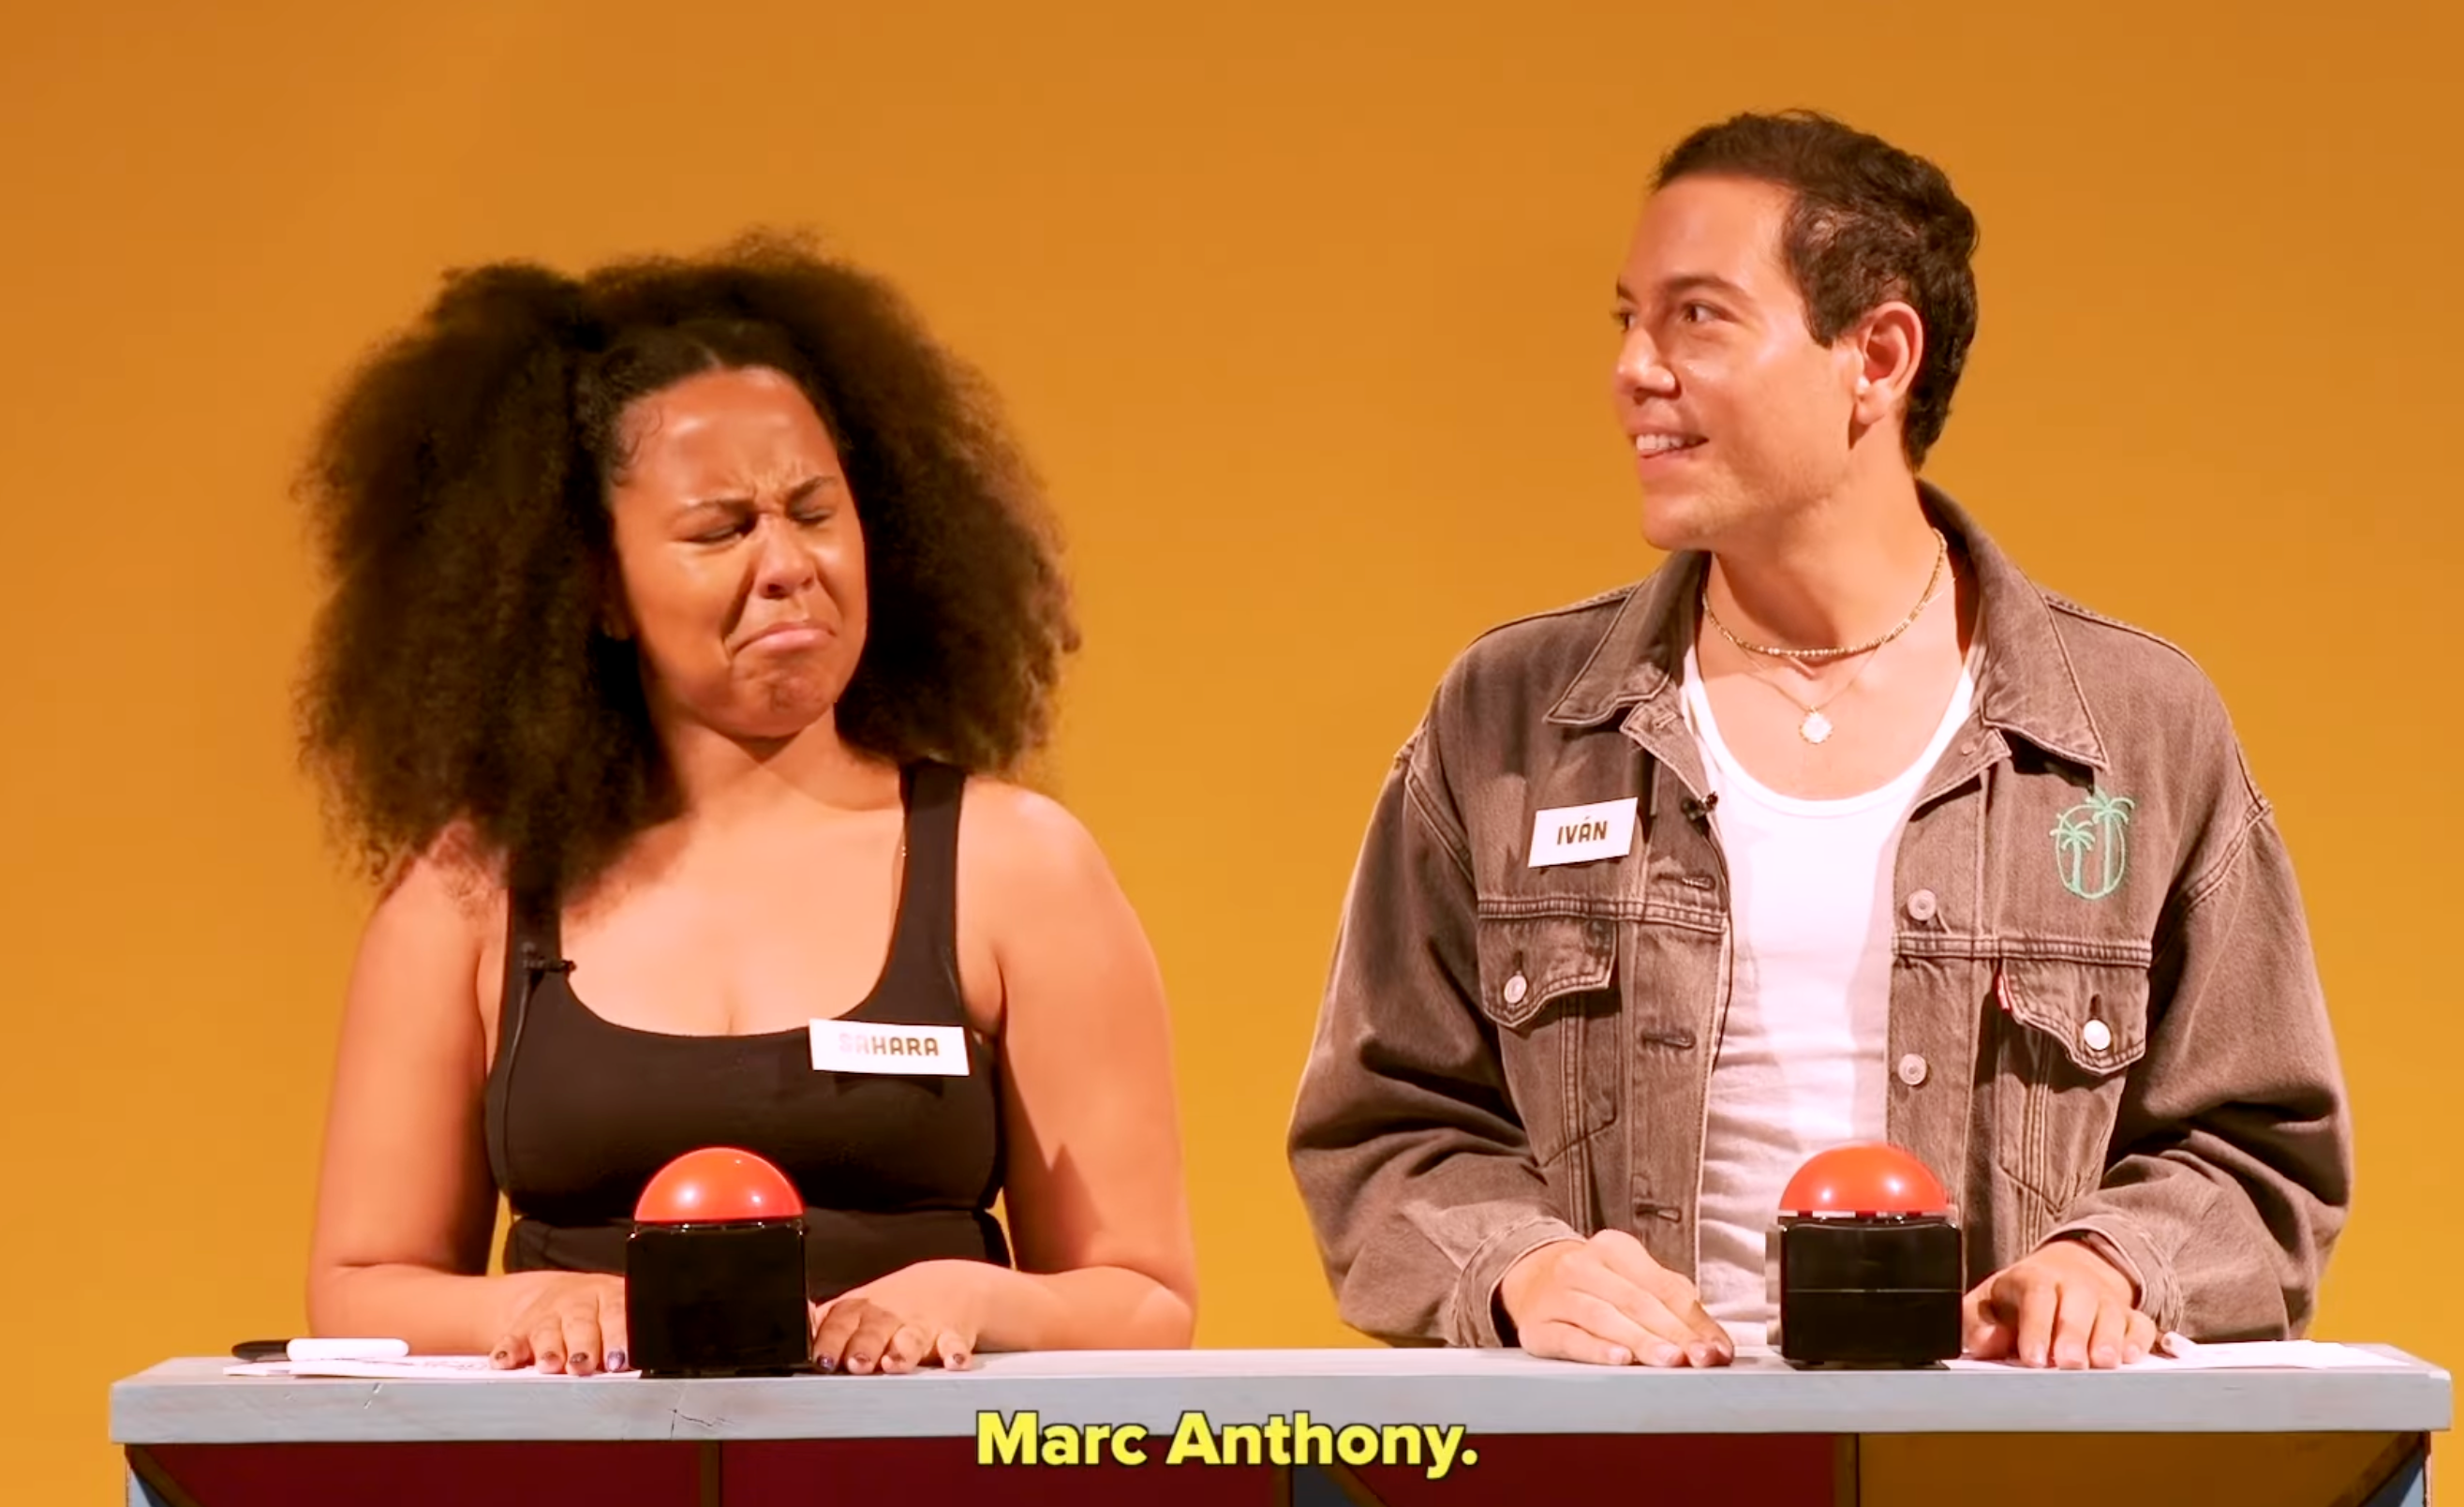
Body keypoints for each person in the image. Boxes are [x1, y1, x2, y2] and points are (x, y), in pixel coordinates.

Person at [1285, 111, 2350, 1371]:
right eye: (1625, 318)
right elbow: (1382, 1134)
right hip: (1618, 1466)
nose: (1633, 366)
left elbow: (2261, 1154)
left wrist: (2112, 1259)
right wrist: (1523, 1266)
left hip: (1985, 1471)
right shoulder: (1507, 718)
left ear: (1876, 356)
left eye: (1696, 316)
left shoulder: (2132, 728)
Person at [297, 231, 1195, 1376]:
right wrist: (528, 1311)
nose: (787, 564)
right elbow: (363, 1282)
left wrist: (966, 1294)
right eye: (721, 529)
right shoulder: (475, 889)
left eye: (814, 512)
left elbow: (1143, 1297)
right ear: (596, 589)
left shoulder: (1015, 866)